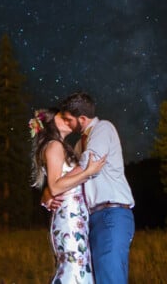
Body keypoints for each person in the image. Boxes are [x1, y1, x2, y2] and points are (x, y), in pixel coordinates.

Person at [45, 92, 135, 284]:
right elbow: (71, 176)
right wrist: (48, 192)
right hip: (90, 219)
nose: (67, 124)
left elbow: (87, 165)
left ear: (82, 119)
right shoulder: (79, 144)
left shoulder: (103, 128)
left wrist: (54, 187)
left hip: (111, 212)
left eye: (69, 120)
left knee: (110, 278)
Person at [30, 107, 107, 284]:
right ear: (50, 124)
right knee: (73, 265)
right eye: (62, 118)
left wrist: (46, 194)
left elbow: (55, 184)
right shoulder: (54, 145)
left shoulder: (60, 147)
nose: (68, 120)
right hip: (69, 217)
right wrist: (88, 172)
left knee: (78, 264)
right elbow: (56, 186)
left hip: (74, 215)